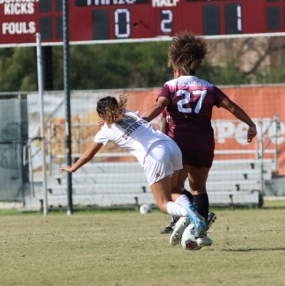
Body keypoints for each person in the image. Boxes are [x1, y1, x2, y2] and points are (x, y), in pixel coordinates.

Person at [142, 32, 257, 242]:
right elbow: (230, 106)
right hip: (204, 142)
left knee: (175, 189)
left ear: (175, 64)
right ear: (198, 64)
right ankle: (200, 233)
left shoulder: (171, 86)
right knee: (198, 188)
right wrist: (250, 124)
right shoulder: (209, 87)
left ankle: (191, 220)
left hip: (180, 142)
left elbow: (160, 106)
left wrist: (141, 120)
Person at [59, 93, 212, 247]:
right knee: (175, 190)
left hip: (154, 154)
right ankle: (192, 211)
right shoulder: (129, 113)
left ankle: (192, 215)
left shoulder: (105, 131)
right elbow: (125, 120)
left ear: (100, 115)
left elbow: (87, 154)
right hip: (170, 145)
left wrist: (73, 168)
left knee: (163, 203)